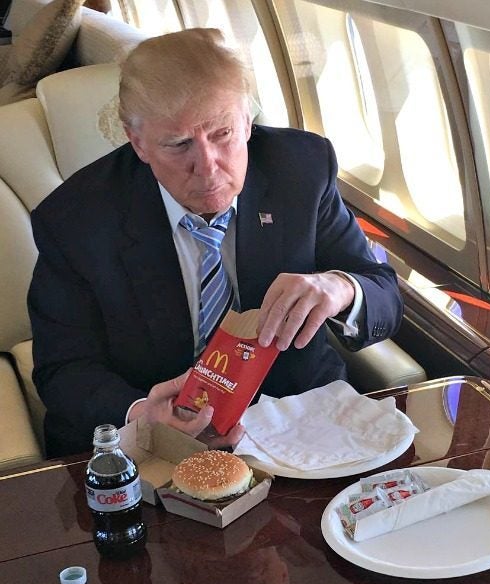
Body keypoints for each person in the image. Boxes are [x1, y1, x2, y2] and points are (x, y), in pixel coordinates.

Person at [28, 28, 403, 458]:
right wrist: (141, 415)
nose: (207, 168)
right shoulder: (75, 219)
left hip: (294, 419)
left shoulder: (301, 169)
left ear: (246, 122)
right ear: (139, 143)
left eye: (222, 134)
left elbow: (383, 294)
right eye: (179, 144)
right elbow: (63, 369)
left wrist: (340, 287)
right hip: (155, 437)